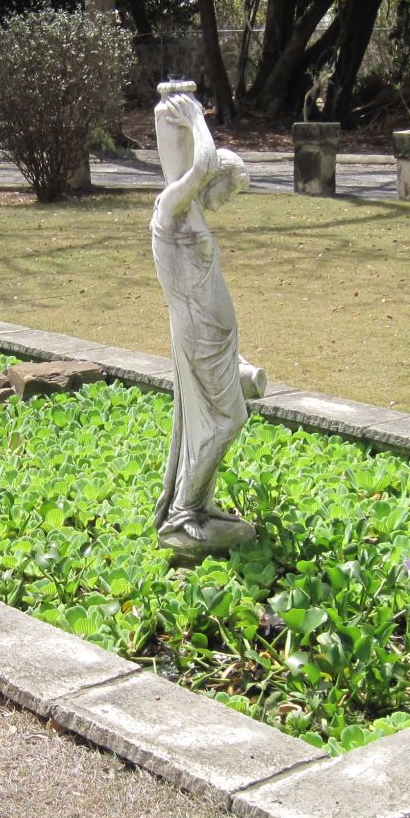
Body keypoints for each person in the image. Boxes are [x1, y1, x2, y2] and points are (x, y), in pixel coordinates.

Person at [149, 81, 263, 557]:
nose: (224, 203)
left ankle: (199, 505)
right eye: (227, 193)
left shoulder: (190, 214)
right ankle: (184, 514)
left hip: (214, 336)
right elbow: (202, 164)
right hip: (200, 337)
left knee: (216, 419)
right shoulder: (171, 211)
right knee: (226, 421)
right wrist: (194, 116)